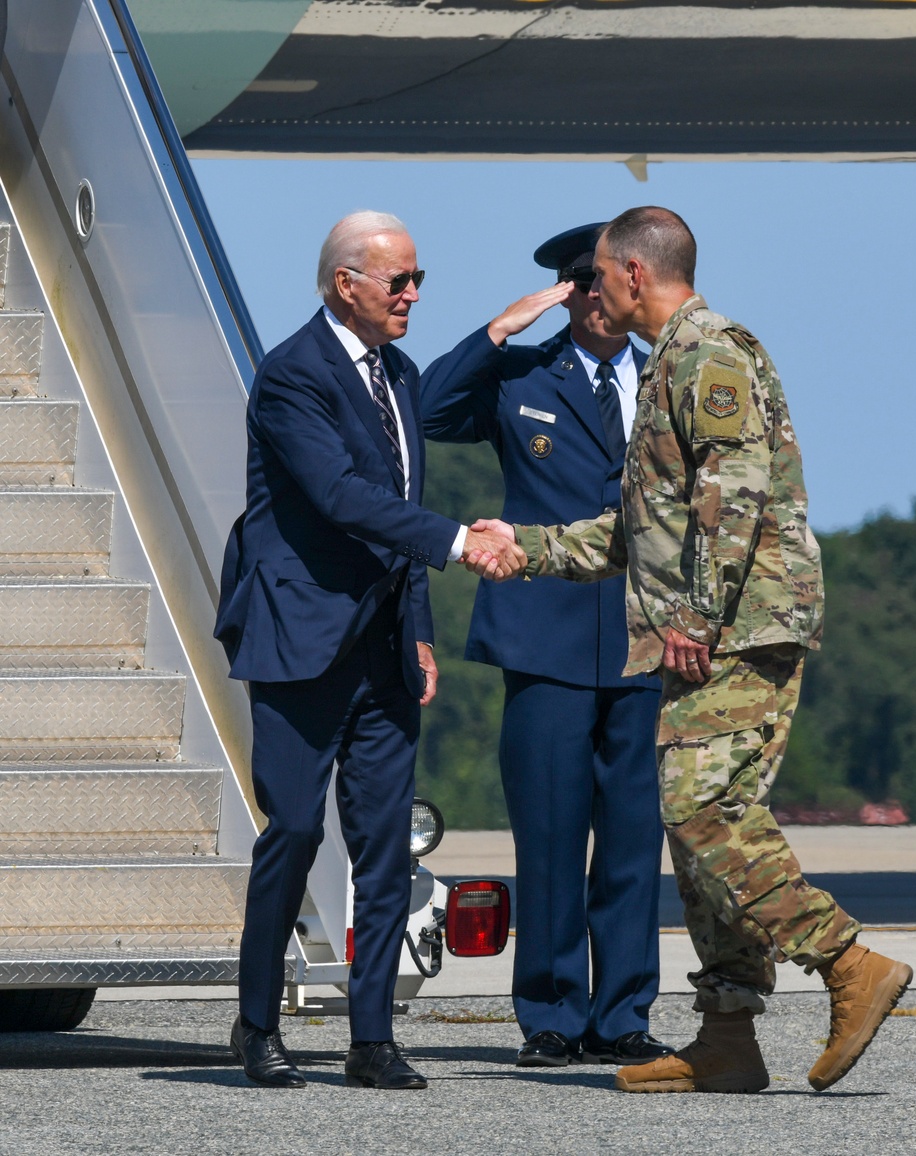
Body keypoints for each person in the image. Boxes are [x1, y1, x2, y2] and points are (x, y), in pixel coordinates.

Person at [468, 206, 912, 1094]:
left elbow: (735, 503)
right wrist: (526, 548)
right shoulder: (668, 361)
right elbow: (645, 529)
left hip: (741, 628)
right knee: (697, 819)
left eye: (598, 274)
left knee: (703, 811)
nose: (590, 290)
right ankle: (728, 1034)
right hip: (712, 624)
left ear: (636, 274)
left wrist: (694, 621)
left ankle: (846, 961)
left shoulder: (708, 353)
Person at [214, 210, 523, 1091]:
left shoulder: (401, 376)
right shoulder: (292, 376)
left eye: (419, 279)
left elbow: (400, 508)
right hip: (299, 639)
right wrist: (462, 543)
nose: (413, 295)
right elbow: (344, 496)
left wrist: (418, 630)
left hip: (383, 648)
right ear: (346, 284)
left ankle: (373, 1037)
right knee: (299, 829)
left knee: (385, 845)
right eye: (399, 282)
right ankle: (256, 1023)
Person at [420, 224, 671, 1068]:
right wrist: (499, 331)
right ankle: (553, 1016)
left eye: (608, 285)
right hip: (546, 642)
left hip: (644, 640)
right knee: (552, 838)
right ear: (569, 292)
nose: (602, 301)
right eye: (585, 288)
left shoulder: (668, 376)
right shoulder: (525, 374)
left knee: (634, 842)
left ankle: (624, 1013)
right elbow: (429, 410)